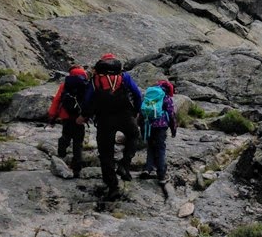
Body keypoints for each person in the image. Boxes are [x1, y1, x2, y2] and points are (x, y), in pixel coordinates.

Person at [81, 53, 141, 200]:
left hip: (103, 119)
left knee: (106, 153)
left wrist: (84, 115)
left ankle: (113, 186)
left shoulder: (96, 79)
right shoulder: (124, 77)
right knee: (134, 135)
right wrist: (136, 111)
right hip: (125, 114)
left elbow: (87, 99)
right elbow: (137, 94)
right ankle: (124, 164)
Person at [47, 65, 90, 177]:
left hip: (66, 116)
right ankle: (77, 165)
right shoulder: (86, 85)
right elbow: (89, 101)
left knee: (66, 135)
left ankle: (61, 150)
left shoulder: (65, 85)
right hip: (79, 117)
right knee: (78, 141)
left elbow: (57, 100)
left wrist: (52, 116)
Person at [139, 79, 177, 194]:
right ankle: (161, 175)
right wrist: (173, 129)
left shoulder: (149, 95)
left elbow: (142, 110)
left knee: (150, 146)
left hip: (148, 124)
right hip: (161, 127)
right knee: (160, 149)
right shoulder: (166, 98)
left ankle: (148, 168)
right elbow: (171, 114)